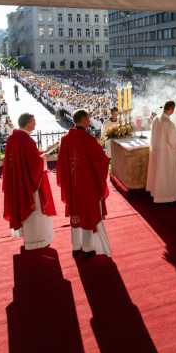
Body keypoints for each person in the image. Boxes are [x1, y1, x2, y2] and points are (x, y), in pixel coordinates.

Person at [57, 109, 111, 260]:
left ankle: (76, 247)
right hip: (88, 185)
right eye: (88, 118)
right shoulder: (88, 139)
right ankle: (88, 248)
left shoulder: (65, 139)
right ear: (84, 120)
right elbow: (102, 161)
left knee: (76, 213)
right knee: (88, 214)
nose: (90, 121)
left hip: (73, 185)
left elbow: (61, 164)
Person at [3, 112, 56, 249]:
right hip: (28, 182)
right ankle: (37, 240)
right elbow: (34, 164)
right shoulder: (27, 141)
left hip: (17, 179)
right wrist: (43, 158)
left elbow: (23, 160)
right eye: (34, 121)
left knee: (21, 204)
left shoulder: (12, 138)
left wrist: (40, 155)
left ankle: (26, 235)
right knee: (35, 209)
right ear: (27, 125)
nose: (35, 123)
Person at [146, 101, 176, 206]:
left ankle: (157, 194)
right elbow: (175, 141)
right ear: (172, 110)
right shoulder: (168, 124)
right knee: (167, 175)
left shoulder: (156, 118)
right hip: (167, 154)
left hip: (158, 152)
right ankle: (168, 198)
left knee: (159, 174)